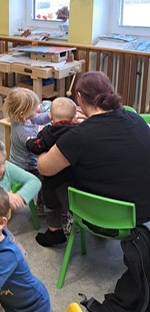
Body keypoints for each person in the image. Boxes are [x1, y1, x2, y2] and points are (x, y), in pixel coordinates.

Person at [37, 71, 150, 246]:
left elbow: (44, 167)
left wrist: (42, 143)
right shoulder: (136, 119)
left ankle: (55, 229)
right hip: (141, 214)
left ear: (79, 98)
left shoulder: (77, 136)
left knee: (55, 172)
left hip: (97, 218)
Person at [25, 97, 77, 246]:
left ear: (51, 117)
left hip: (54, 178)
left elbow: (37, 146)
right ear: (73, 118)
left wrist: (29, 141)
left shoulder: (49, 132)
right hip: (74, 177)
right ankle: (72, 221)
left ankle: (54, 230)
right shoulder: (77, 131)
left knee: (51, 202)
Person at [3, 87, 51, 176]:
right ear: (22, 113)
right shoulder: (24, 132)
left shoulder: (23, 118)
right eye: (34, 109)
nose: (37, 110)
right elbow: (37, 147)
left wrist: (49, 115)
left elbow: (38, 118)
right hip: (26, 168)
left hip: (20, 163)